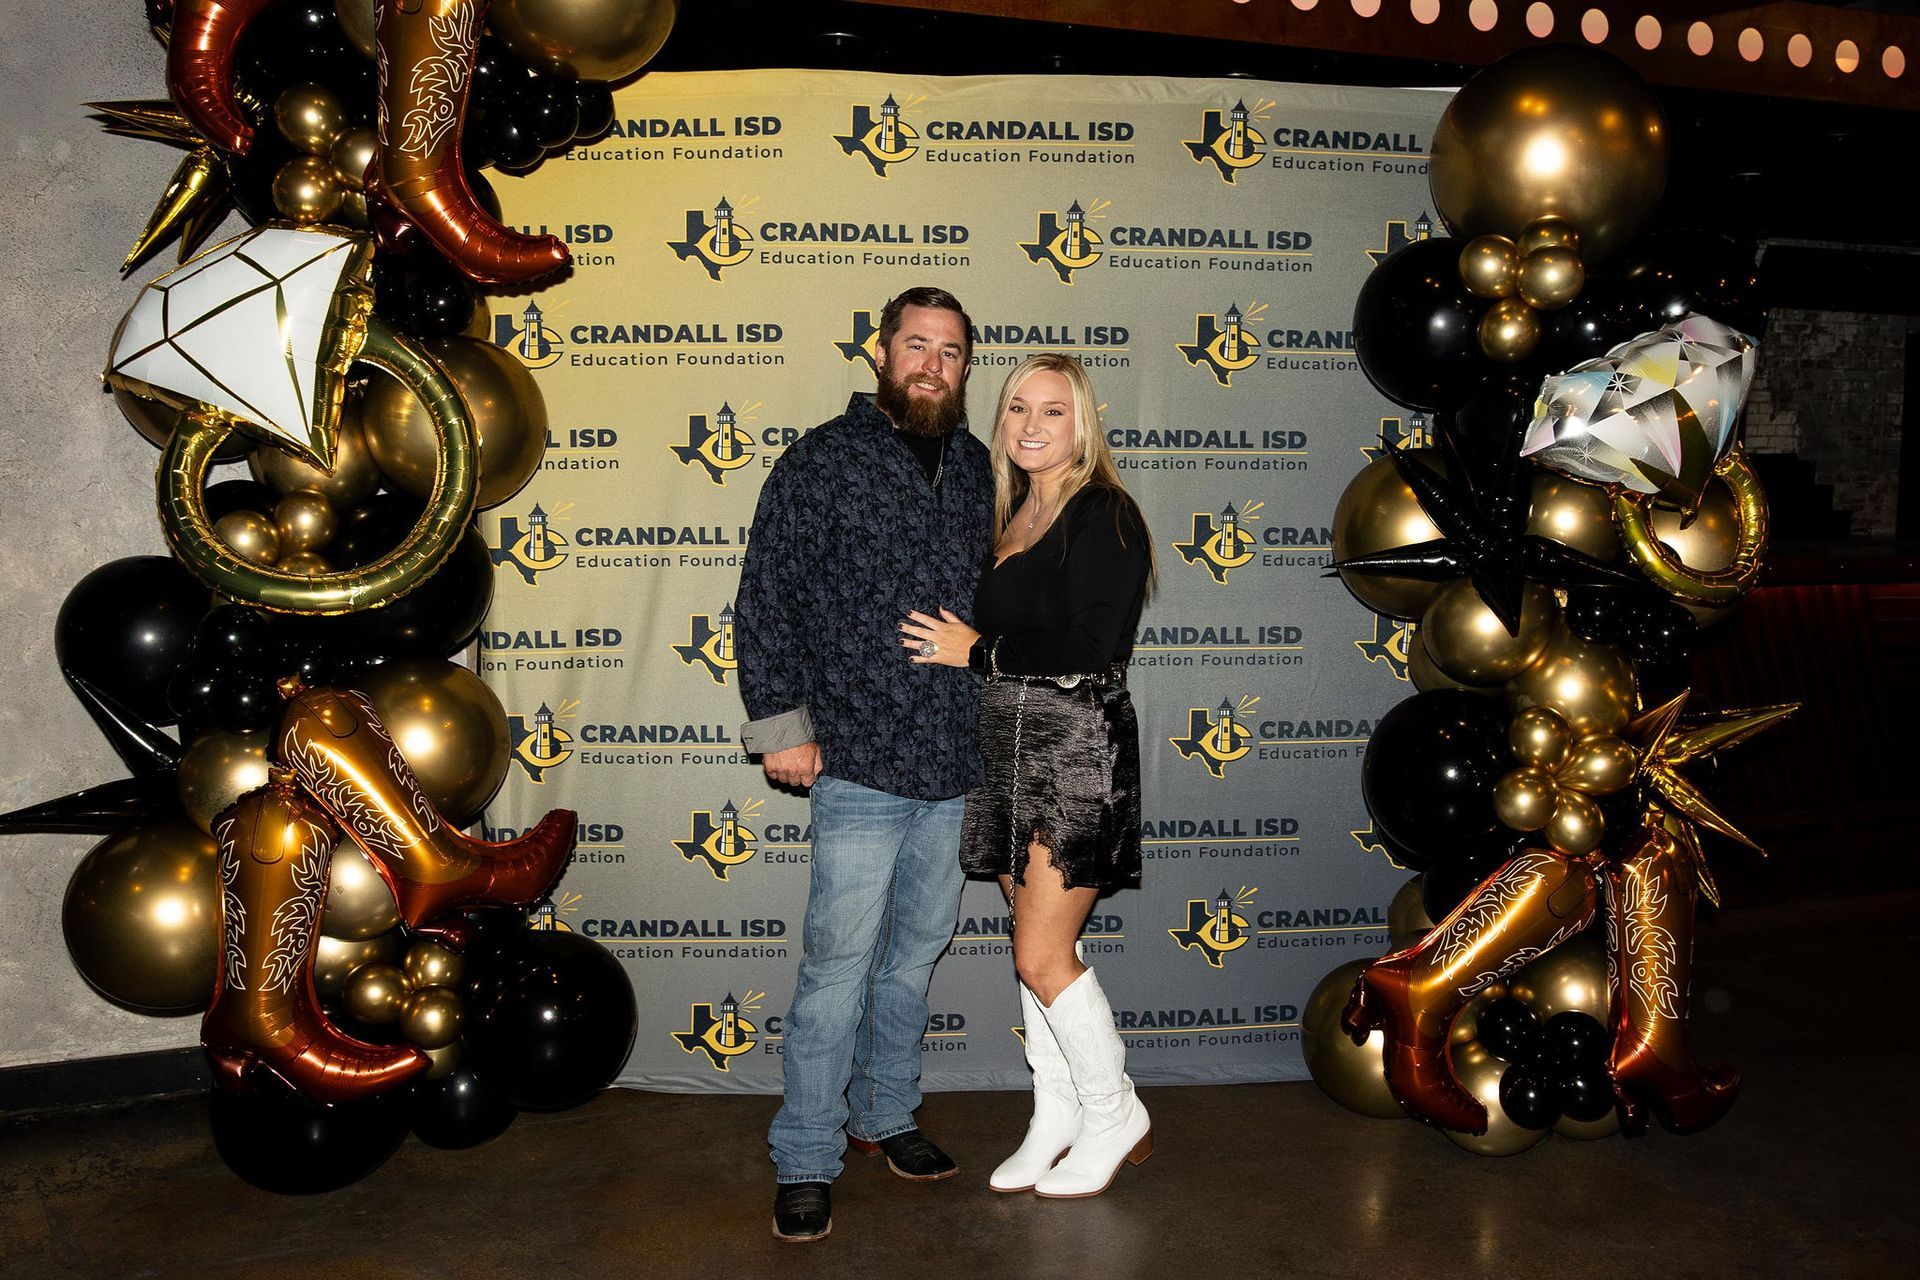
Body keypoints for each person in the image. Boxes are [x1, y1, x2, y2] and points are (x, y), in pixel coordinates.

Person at [735, 286, 994, 1243]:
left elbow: (1011, 597)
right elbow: (765, 599)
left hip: (955, 761)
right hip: (856, 761)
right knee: (837, 971)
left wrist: (988, 641)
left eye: (952, 351)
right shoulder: (821, 461)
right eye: (916, 346)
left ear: (967, 369)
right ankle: (805, 1153)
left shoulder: (978, 470)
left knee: (912, 963)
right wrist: (782, 728)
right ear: (880, 355)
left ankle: (887, 1115)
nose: (933, 364)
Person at [899, 352, 1153, 1199]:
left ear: (1082, 423)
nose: (1031, 424)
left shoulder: (1104, 514)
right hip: (1004, 753)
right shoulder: (1009, 518)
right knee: (1038, 947)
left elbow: (1090, 649)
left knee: (1043, 954)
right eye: (1016, 409)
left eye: (1052, 410)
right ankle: (1057, 1111)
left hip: (1077, 750)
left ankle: (1114, 1111)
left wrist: (979, 650)